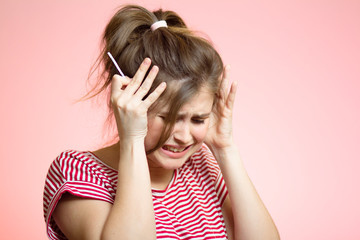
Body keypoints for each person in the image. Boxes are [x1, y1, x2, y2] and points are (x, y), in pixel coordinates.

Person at [43, 4, 280, 240]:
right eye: (168, 118)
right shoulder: (78, 172)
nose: (184, 136)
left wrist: (225, 148)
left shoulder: (201, 164)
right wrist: (133, 140)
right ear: (130, 102)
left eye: (198, 119)